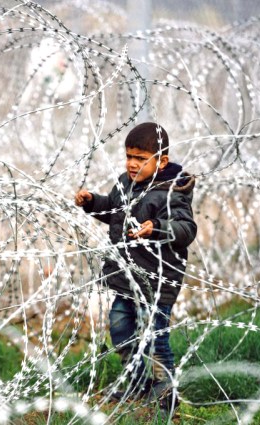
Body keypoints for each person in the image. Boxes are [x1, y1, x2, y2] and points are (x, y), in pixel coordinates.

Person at [75, 122, 197, 419]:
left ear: (161, 161)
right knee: (120, 330)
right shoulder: (124, 184)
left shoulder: (171, 193)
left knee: (156, 338)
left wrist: (156, 228)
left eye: (141, 159)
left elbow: (186, 228)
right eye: (129, 156)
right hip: (126, 278)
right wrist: (92, 203)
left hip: (157, 281)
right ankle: (138, 383)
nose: (132, 163)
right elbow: (114, 212)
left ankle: (165, 393)